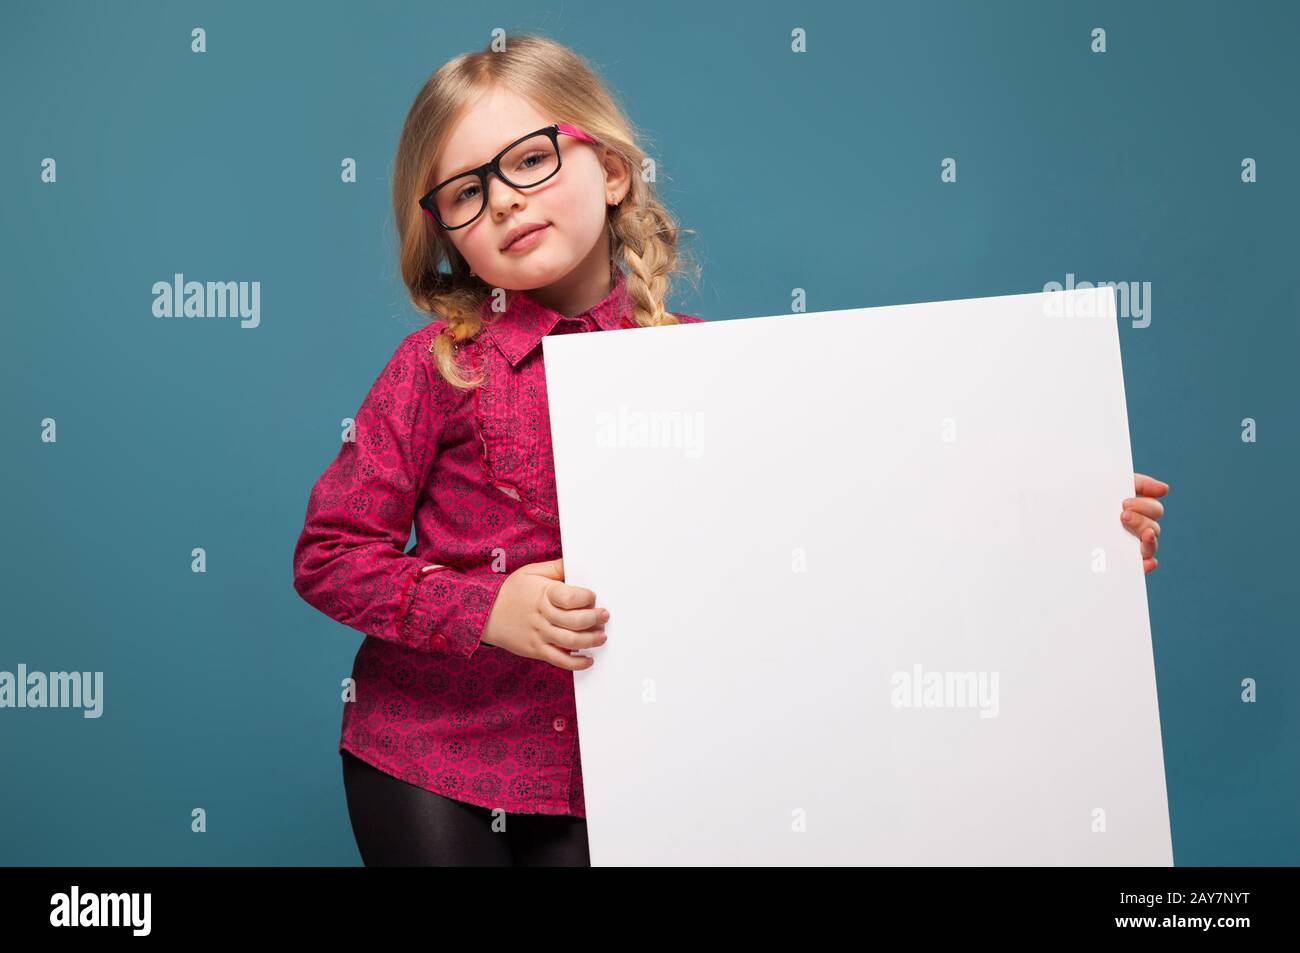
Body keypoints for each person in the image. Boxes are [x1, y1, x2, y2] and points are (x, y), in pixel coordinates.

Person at [293, 33, 1170, 867]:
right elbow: (330, 555)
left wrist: (1065, 533)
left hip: (619, 773)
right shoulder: (440, 366)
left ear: (609, 170)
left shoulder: (704, 367)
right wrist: (485, 608)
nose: (506, 199)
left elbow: (848, 530)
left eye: (529, 160)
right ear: (447, 232)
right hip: (428, 757)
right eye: (465, 192)